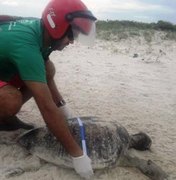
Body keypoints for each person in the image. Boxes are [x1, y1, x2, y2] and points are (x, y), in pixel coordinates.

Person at [0, 0, 97, 179]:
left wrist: (63, 108)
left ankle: (5, 120)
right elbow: (45, 107)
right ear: (56, 27)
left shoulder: (41, 32)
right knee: (10, 100)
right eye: (71, 35)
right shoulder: (26, 45)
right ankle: (3, 116)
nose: (72, 42)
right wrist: (78, 155)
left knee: (47, 68)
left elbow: (46, 77)